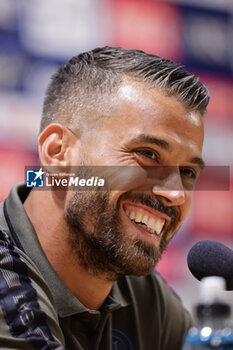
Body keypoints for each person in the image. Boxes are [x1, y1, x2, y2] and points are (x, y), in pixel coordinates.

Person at [0, 46, 209, 350]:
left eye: (188, 172)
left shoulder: (144, 296)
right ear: (59, 153)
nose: (175, 193)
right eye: (148, 154)